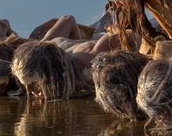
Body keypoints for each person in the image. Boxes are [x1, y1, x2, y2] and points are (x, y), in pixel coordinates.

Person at [11, 15, 139, 100]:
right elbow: (68, 19)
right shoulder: (46, 43)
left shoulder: (89, 61)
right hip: (67, 46)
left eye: (34, 85)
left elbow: (128, 35)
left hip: (101, 37)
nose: (30, 93)